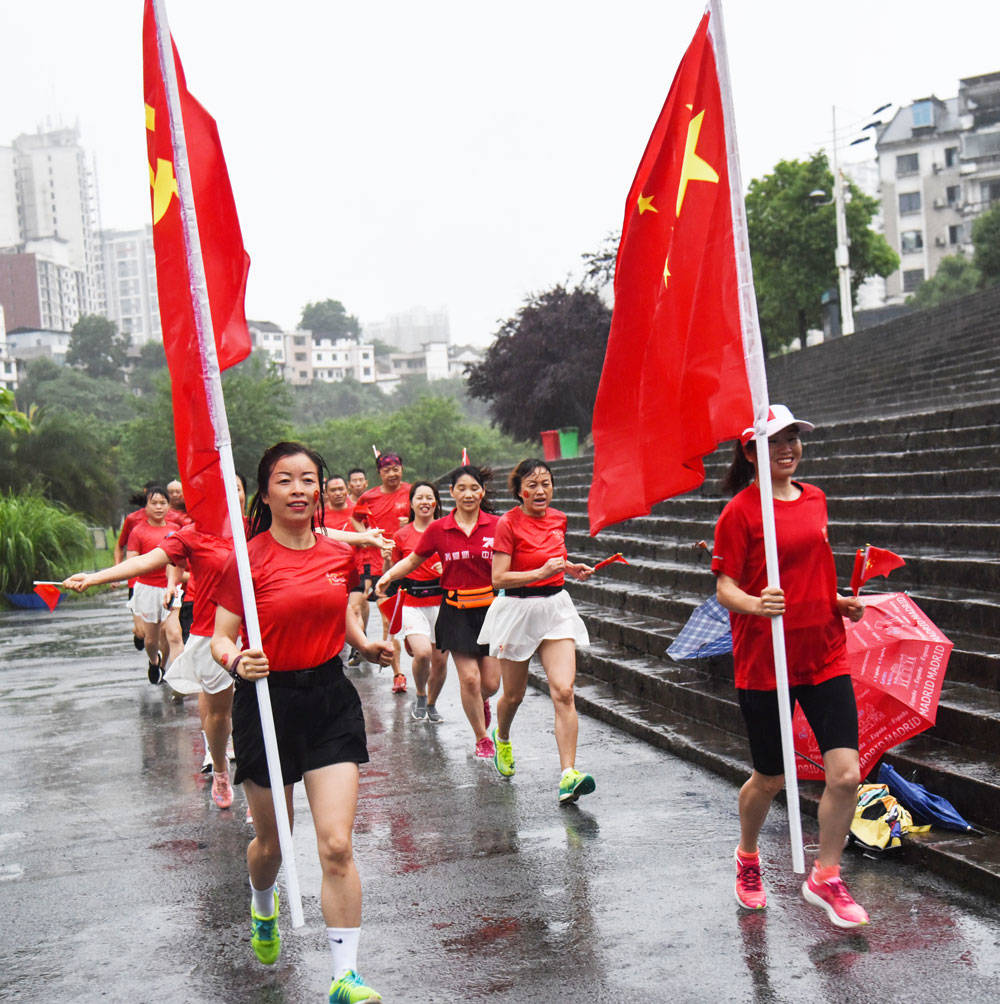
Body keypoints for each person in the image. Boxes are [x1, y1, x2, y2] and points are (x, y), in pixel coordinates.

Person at [211, 441, 392, 1003]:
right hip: (265, 702)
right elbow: (219, 636)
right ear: (265, 492)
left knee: (336, 845)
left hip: (330, 699)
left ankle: (345, 975)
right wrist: (237, 660)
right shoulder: (243, 560)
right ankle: (263, 903)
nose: (299, 490)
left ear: (320, 489)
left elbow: (344, 616)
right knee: (274, 843)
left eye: (308, 479)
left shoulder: (339, 555)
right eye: (285, 480)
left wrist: (365, 644)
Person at [712, 404, 868, 929]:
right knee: (770, 778)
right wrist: (756, 604)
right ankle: (748, 857)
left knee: (846, 774)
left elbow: (818, 573)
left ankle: (826, 875)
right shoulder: (739, 512)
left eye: (794, 438)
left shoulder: (816, 499)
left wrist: (838, 601)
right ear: (750, 451)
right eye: (775, 441)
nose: (787, 449)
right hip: (765, 663)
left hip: (824, 652)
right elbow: (725, 587)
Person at [65, 476, 249, 810]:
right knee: (221, 715)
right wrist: (95, 577)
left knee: (261, 708)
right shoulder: (193, 535)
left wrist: (361, 538)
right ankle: (220, 767)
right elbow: (145, 561)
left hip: (259, 633)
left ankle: (259, 794)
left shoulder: (261, 528)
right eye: (223, 488)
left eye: (237, 488)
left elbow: (316, 534)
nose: (231, 495)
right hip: (214, 633)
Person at [479, 459, 596, 803]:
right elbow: (498, 578)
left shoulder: (559, 518)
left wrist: (570, 567)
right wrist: (540, 571)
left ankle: (568, 775)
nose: (540, 490)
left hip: (555, 607)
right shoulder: (508, 524)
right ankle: (502, 736)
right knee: (513, 695)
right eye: (532, 485)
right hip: (517, 610)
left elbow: (553, 556)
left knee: (564, 690)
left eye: (546, 483)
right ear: (519, 492)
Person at [377, 465, 501, 759]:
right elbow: (411, 560)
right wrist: (389, 576)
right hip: (455, 611)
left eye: (474, 488)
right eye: (462, 488)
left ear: (482, 492)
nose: (468, 494)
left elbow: (517, 559)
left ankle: (480, 701)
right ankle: (482, 738)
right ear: (451, 493)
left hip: (491, 612)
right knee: (469, 679)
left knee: (491, 684)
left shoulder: (498, 525)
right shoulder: (439, 528)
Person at [381, 481, 447, 723]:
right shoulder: (401, 535)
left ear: (436, 502)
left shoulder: (446, 530)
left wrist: (446, 569)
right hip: (412, 602)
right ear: (411, 503)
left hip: (442, 603)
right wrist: (387, 562)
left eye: (430, 497)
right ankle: (420, 694)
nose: (425, 502)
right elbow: (392, 573)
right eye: (419, 497)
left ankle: (431, 703)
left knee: (440, 661)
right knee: (423, 653)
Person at [356, 453, 411, 691]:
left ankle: (413, 645)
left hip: (411, 563)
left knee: (414, 621)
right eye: (386, 470)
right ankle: (398, 674)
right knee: (389, 621)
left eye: (396, 468)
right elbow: (355, 518)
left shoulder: (412, 491)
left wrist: (410, 523)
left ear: (402, 469)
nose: (392, 473)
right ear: (379, 473)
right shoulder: (370, 496)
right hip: (383, 566)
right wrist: (366, 536)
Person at [126, 485, 184, 683]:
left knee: (173, 634)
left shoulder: (175, 531)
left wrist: (174, 580)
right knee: (151, 640)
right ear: (146, 506)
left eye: (163, 503)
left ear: (169, 506)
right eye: (154, 503)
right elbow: (132, 563)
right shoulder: (138, 532)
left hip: (171, 587)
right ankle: (154, 660)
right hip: (147, 589)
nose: (159, 507)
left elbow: (179, 562)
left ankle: (175, 676)